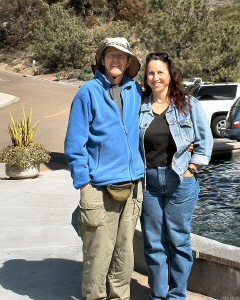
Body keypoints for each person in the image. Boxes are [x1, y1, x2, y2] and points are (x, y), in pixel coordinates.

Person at [64, 37, 144, 300]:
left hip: (132, 187)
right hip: (98, 188)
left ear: (129, 62)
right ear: (102, 60)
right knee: (98, 255)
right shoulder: (87, 92)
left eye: (121, 56)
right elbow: (75, 144)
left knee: (125, 254)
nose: (116, 60)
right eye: (111, 55)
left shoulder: (136, 91)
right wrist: (84, 184)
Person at [139, 52, 213, 300]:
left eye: (160, 72)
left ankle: (177, 295)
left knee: (179, 241)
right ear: (146, 77)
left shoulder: (188, 105)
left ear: (170, 75)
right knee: (153, 243)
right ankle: (159, 295)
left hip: (180, 181)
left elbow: (205, 143)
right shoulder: (140, 107)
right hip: (148, 183)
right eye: (151, 72)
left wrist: (191, 170)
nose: (155, 77)